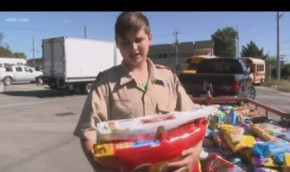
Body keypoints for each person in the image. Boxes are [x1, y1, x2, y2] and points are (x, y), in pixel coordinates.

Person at [73, 12, 203, 172]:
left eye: (138, 39)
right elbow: (88, 133)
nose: (133, 48)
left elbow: (194, 121)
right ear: (117, 43)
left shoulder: (168, 78)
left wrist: (195, 152)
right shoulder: (106, 83)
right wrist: (99, 167)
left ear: (150, 38)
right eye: (125, 42)